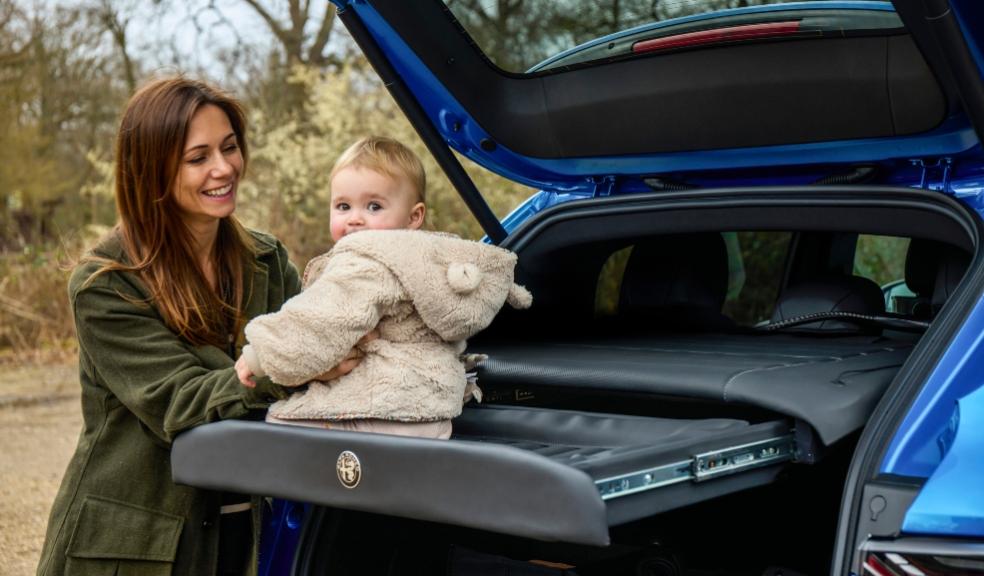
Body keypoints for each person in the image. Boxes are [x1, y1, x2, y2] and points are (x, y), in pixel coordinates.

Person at [36, 77, 351, 576]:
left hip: (245, 531)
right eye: (197, 157)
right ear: (151, 170)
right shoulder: (105, 284)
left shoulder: (267, 260)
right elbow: (179, 402)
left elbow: (323, 333)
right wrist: (293, 366)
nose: (223, 168)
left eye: (229, 148)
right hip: (135, 548)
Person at [235, 136, 531, 438]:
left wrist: (262, 354)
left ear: (414, 216)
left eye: (373, 206)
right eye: (343, 206)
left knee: (278, 426)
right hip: (432, 407)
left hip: (384, 405)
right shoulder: (429, 257)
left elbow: (323, 319)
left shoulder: (370, 260)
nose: (354, 219)